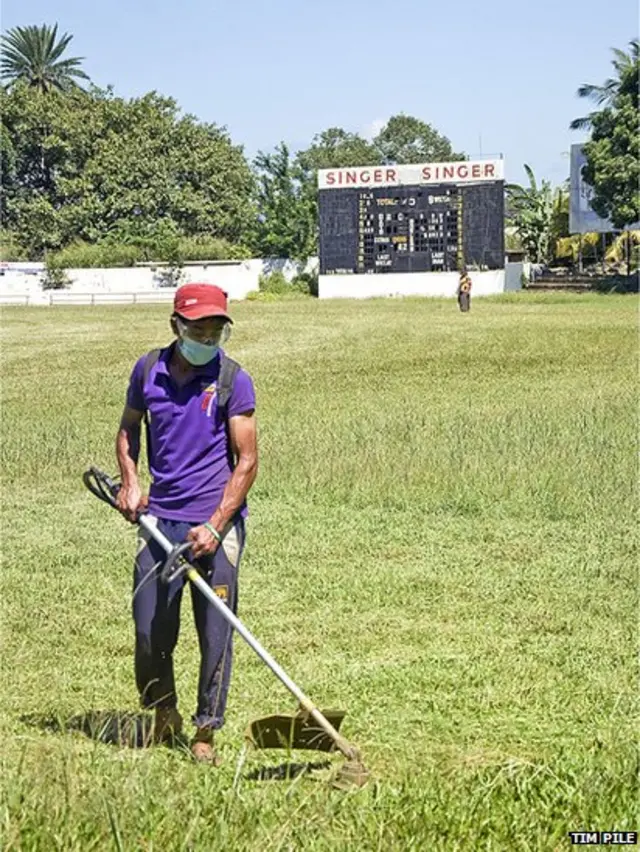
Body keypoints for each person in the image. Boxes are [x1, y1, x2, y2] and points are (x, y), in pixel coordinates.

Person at [115, 283, 258, 763]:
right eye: (200, 327)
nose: (209, 335)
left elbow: (248, 462)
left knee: (215, 631)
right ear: (176, 324)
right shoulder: (147, 370)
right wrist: (131, 481)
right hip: (162, 521)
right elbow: (128, 428)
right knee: (149, 627)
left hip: (215, 525)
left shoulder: (234, 380)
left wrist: (217, 524)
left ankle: (205, 731)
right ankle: (163, 712)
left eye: (217, 327)